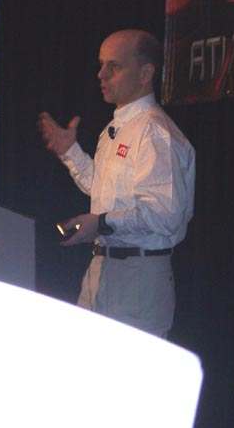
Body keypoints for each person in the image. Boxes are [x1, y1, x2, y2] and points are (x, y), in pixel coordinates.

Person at [38, 29, 195, 337]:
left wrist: (102, 223)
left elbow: (165, 214)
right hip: (101, 270)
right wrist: (70, 152)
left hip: (138, 278)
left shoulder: (155, 132)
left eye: (114, 66)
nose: (101, 75)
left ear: (145, 73)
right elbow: (104, 192)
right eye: (101, 65)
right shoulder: (116, 128)